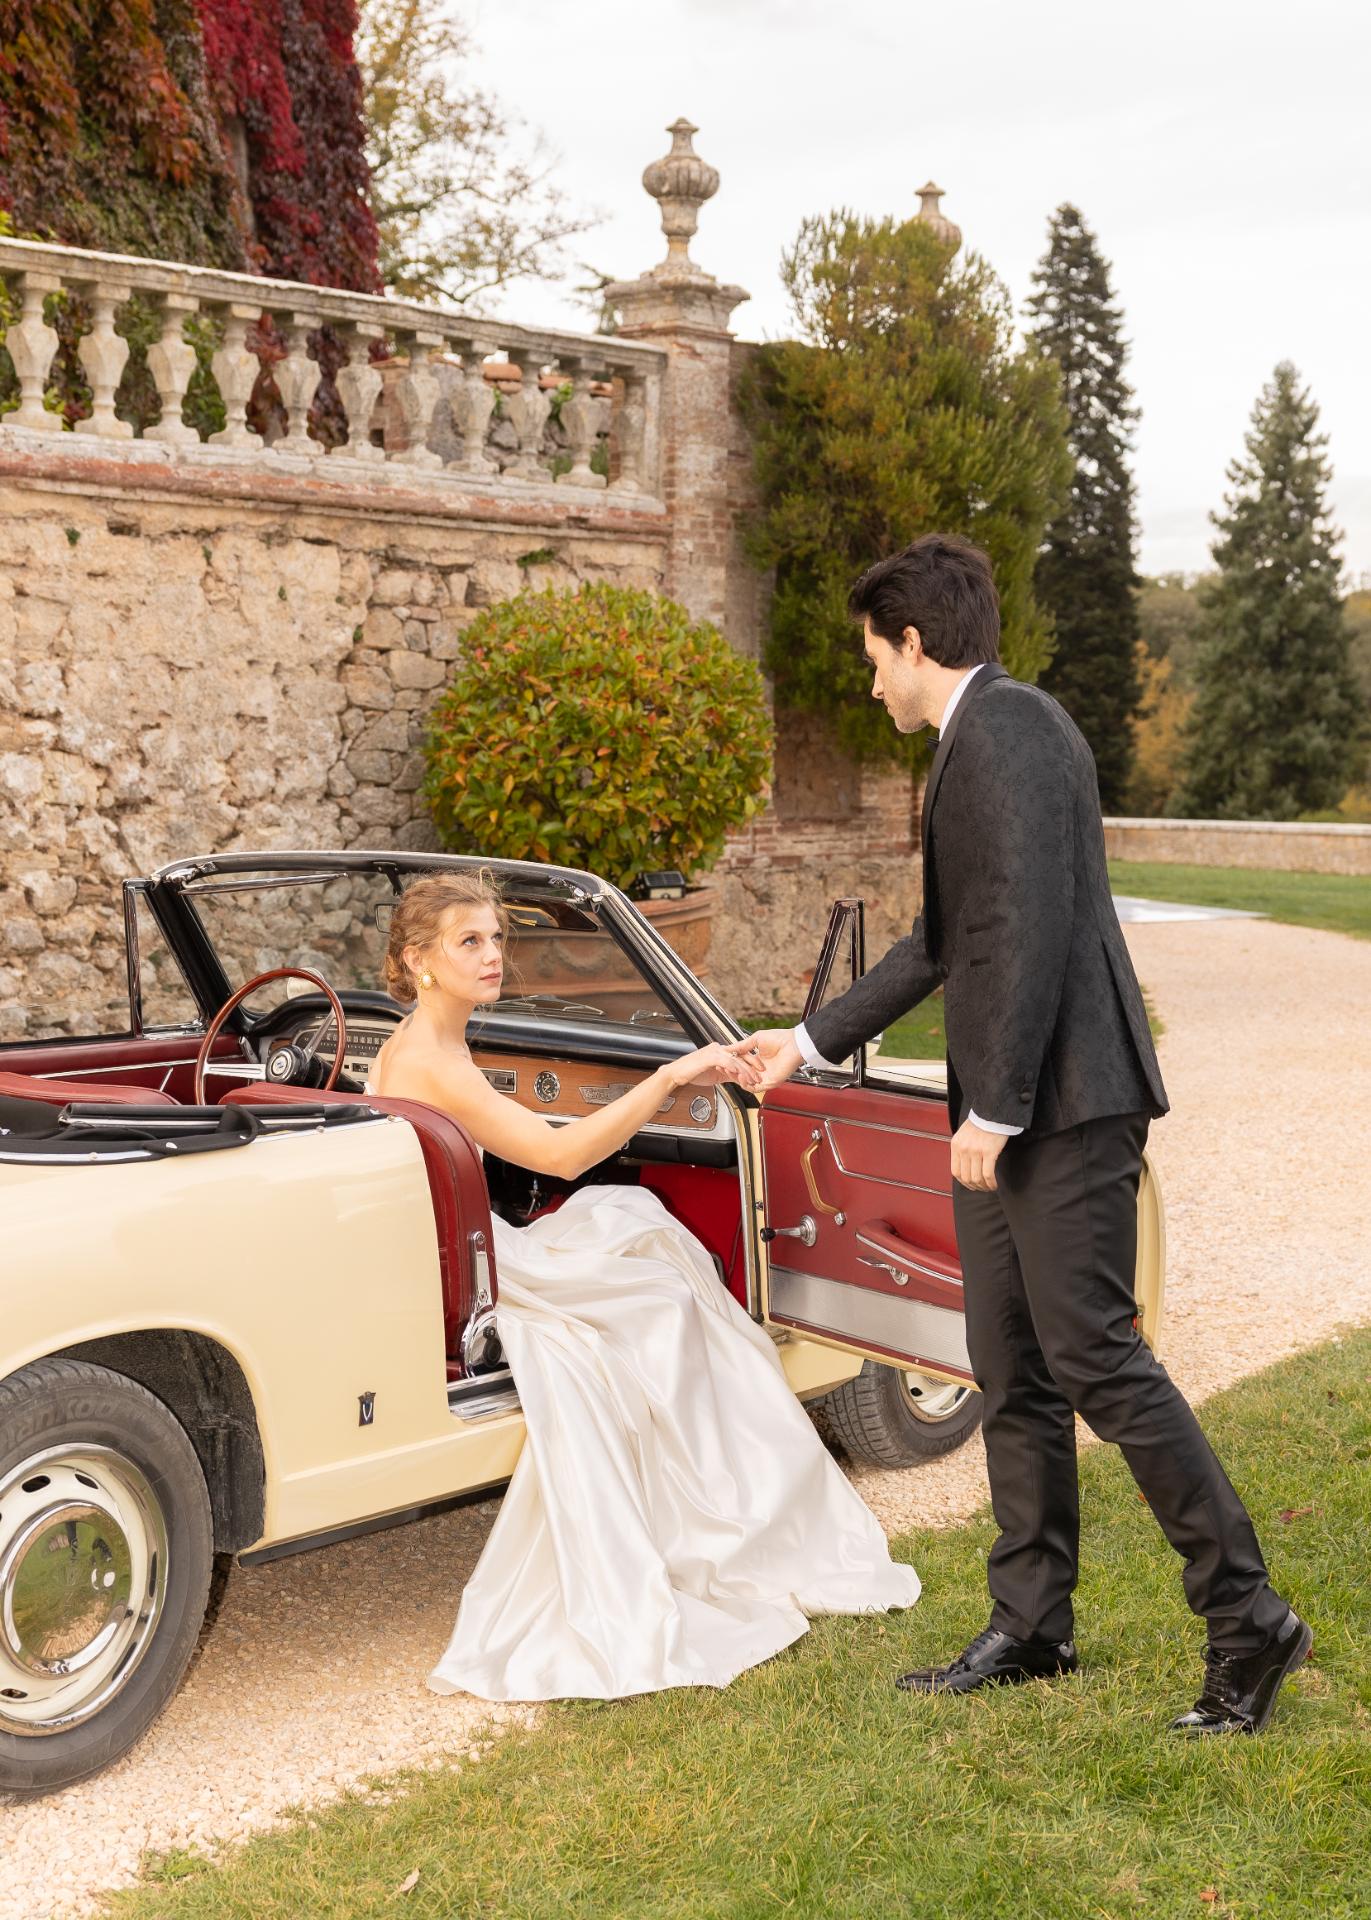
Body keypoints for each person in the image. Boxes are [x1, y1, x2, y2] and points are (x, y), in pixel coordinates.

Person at [739, 534, 1309, 1737]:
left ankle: (1248, 1616)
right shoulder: (978, 738)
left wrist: (994, 1111)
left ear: (916, 642)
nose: (869, 682)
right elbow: (949, 942)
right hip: (1018, 1108)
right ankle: (1033, 1621)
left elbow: (1035, 934)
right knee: (1012, 1365)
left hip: (1065, 1106)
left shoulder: (1005, 733)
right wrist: (807, 1042)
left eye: (872, 659)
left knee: (1101, 1362)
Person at [368, 870, 919, 1703]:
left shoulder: (427, 1039)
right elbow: (555, 1158)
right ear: (419, 960)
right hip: (488, 1271)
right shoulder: (432, 1058)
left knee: (636, 1224)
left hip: (460, 1249)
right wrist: (668, 1080)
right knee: (661, 1292)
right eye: (468, 942)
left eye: (497, 938)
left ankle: (739, 1501)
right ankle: (732, 1520)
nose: (492, 957)